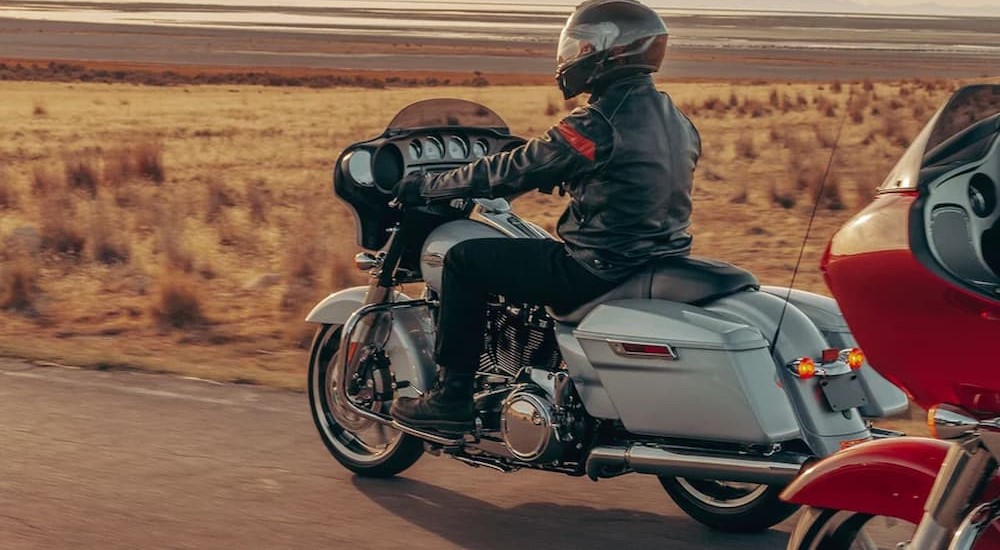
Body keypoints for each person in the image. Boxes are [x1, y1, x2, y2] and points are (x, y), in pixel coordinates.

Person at [390, 0, 701, 433]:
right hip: (655, 257)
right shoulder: (674, 117)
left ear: (610, 53)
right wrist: (578, 181)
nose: (574, 54)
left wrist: (430, 184)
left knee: (464, 261)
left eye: (583, 45)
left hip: (597, 265)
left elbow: (512, 168)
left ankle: (452, 396)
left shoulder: (596, 122)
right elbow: (636, 177)